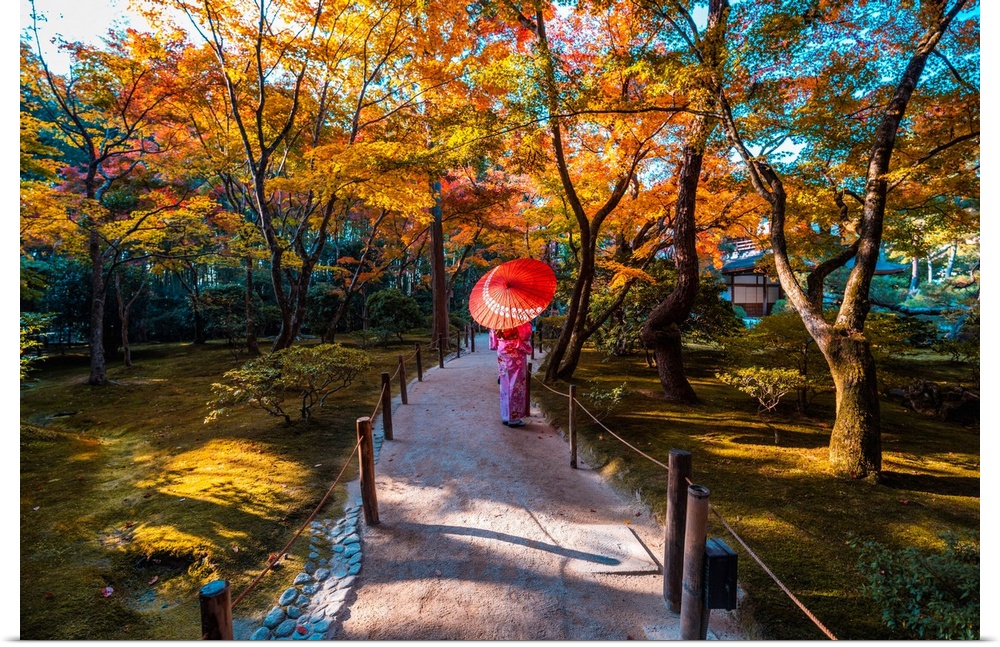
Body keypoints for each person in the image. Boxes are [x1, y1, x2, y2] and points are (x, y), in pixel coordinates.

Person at [491, 321, 533, 427]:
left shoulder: (497, 318)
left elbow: (493, 342)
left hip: (502, 350)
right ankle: (513, 418)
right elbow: (526, 334)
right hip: (515, 351)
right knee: (516, 383)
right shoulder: (518, 319)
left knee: (505, 383)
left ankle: (505, 416)